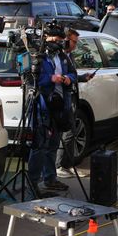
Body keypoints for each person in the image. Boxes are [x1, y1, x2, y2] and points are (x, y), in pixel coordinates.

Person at [28, 26, 76, 195]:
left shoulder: (62, 57)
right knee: (39, 145)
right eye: (54, 40)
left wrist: (68, 79)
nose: (57, 43)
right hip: (42, 106)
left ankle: (50, 179)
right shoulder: (37, 56)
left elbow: (73, 73)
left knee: (53, 145)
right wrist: (50, 78)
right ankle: (33, 182)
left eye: (60, 40)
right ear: (46, 37)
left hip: (59, 106)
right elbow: (29, 78)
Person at [54, 29, 96, 178]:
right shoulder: (59, 55)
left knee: (71, 130)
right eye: (74, 42)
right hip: (63, 97)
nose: (75, 46)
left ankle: (67, 164)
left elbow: (71, 75)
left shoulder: (69, 55)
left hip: (71, 96)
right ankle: (59, 165)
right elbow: (59, 76)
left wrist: (83, 77)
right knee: (66, 132)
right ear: (66, 40)